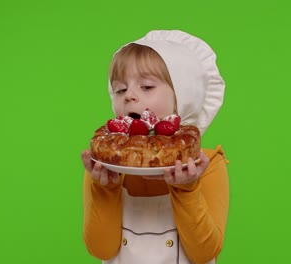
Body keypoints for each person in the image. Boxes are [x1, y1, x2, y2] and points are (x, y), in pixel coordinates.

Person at [81, 30, 229, 264]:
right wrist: (105, 189)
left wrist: (186, 189)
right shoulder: (106, 166)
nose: (129, 95)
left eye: (147, 87)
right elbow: (101, 249)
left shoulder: (206, 164)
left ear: (183, 95)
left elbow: (204, 253)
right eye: (120, 89)